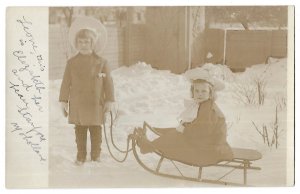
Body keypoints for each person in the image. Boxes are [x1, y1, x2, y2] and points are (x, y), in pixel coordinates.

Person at [137, 68, 233, 166]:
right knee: (177, 131)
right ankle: (156, 134)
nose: (199, 94)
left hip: (208, 151)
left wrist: (185, 129)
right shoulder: (204, 105)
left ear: (210, 93)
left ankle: (148, 146)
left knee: (175, 137)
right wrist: (185, 127)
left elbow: (203, 131)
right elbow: (198, 124)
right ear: (193, 92)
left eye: (204, 91)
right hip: (208, 144)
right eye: (197, 91)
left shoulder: (207, 109)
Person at [59, 17, 115, 165]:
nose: (84, 45)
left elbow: (108, 83)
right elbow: (66, 83)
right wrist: (63, 100)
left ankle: (96, 155)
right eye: (81, 42)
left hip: (95, 103)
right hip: (78, 104)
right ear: (76, 43)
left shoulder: (102, 62)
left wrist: (109, 100)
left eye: (87, 42)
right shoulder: (71, 63)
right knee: (80, 131)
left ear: (93, 43)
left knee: (96, 130)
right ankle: (81, 155)